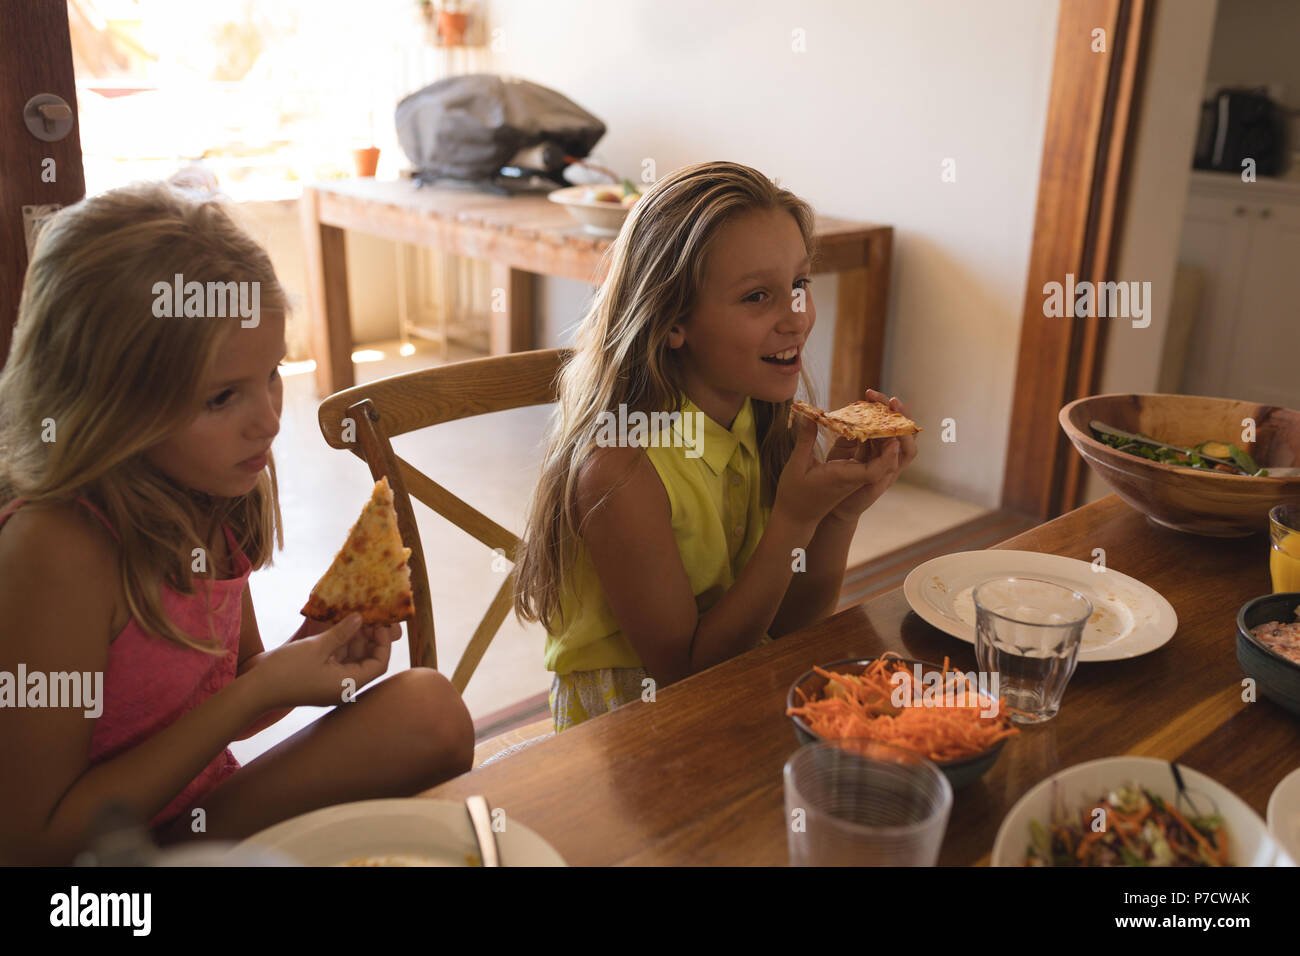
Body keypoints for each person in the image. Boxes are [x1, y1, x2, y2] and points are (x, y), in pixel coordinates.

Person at [0, 182, 474, 865]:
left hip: (187, 822)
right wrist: (257, 689)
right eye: (222, 397)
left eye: (273, 374)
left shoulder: (210, 493)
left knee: (428, 710)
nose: (270, 419)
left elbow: (234, 684)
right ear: (109, 401)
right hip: (89, 871)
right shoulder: (56, 548)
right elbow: (31, 841)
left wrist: (307, 658)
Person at [514, 161, 917, 731]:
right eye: (757, 296)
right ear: (674, 321)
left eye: (800, 285)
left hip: (736, 686)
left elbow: (795, 623)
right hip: (631, 730)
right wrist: (792, 522)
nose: (796, 318)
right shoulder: (622, 470)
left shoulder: (762, 422)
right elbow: (686, 678)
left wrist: (837, 514)